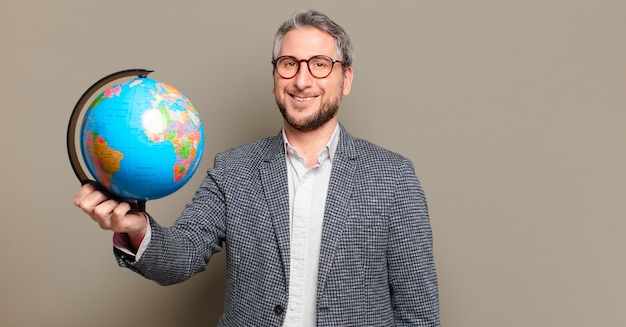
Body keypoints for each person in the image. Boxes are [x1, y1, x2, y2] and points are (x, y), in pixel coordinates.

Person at [74, 9, 440, 326]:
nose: (302, 80)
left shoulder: (394, 178)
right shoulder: (234, 169)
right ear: (275, 78)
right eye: (289, 64)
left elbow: (419, 313)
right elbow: (181, 256)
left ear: (346, 80)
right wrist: (136, 229)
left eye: (320, 65)